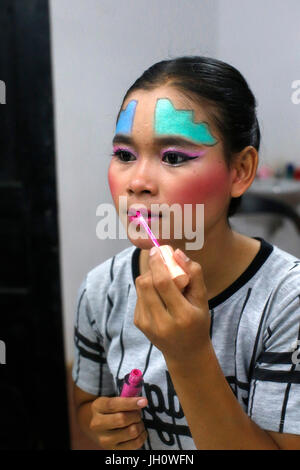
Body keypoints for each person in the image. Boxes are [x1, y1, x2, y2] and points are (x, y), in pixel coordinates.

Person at [72, 56, 300, 450]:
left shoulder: (287, 302)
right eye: (124, 155)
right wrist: (103, 422)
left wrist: (190, 355)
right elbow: (85, 406)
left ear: (241, 171)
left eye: (174, 157)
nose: (137, 182)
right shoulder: (100, 290)